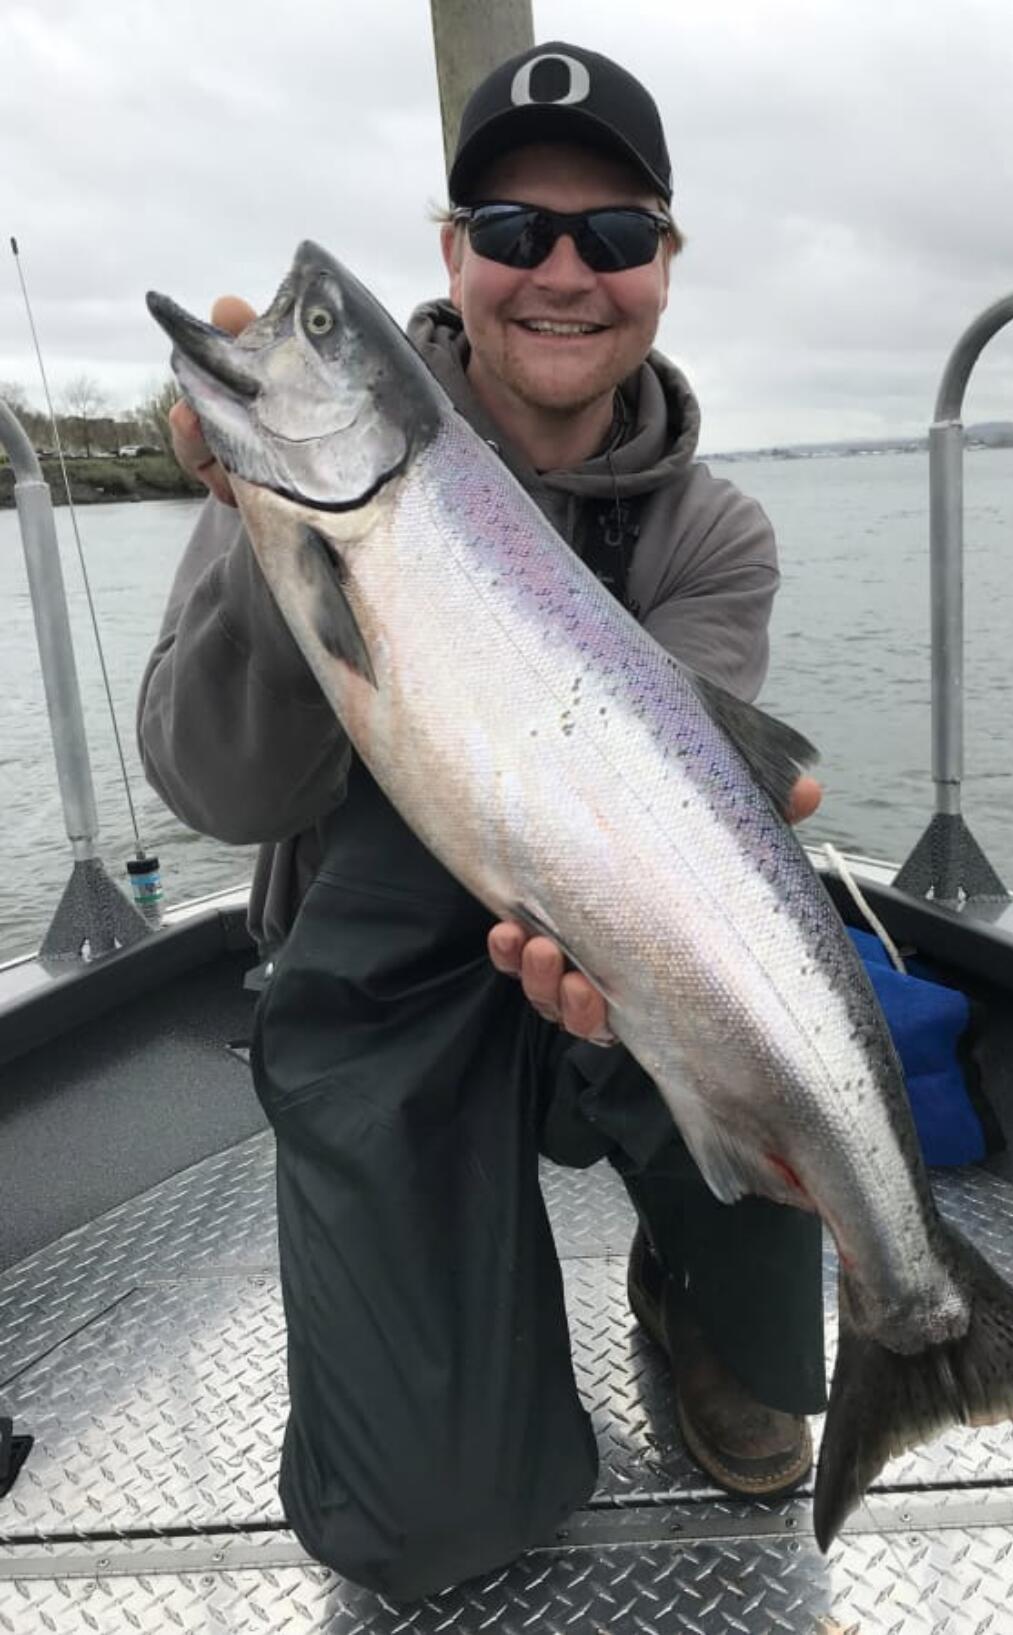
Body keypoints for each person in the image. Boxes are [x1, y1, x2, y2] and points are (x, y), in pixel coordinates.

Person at [139, 40, 827, 1604]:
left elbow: (694, 825)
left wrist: (649, 968)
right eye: (513, 231)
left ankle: (702, 1296)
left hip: (619, 949)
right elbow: (219, 793)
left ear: (665, 260)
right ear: (451, 254)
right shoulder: (296, 466)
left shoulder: (710, 529)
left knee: (757, 1022)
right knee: (425, 1525)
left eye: (613, 234)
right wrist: (272, 535)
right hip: (383, 996)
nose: (562, 271)